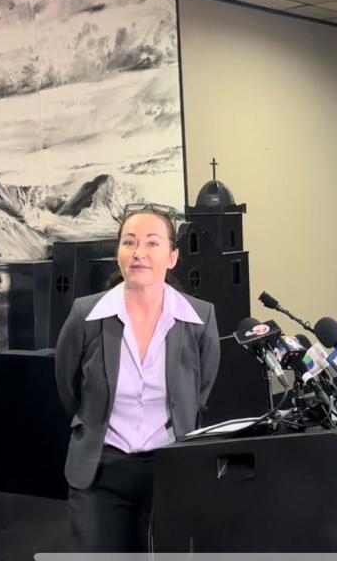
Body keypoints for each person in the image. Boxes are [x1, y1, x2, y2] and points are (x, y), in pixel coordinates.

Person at [55, 203, 220, 553]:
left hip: (169, 470)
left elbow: (199, 390)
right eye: (129, 242)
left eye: (152, 243)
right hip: (100, 471)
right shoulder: (86, 315)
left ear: (172, 257)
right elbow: (68, 388)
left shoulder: (199, 318)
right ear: (118, 253)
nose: (139, 253)